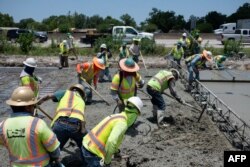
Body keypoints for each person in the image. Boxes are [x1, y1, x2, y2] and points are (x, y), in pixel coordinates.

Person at [0, 86, 61, 167]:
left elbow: (4, 142)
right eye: (33, 105)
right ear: (28, 107)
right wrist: (55, 158)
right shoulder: (37, 124)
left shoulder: (2, 125)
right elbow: (53, 147)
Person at [81, 96, 143, 167]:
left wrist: (116, 152)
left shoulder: (117, 116)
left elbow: (112, 139)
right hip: (93, 152)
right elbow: (111, 142)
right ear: (134, 114)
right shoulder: (122, 123)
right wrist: (107, 162)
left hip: (86, 144)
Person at [38, 84, 87, 152]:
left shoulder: (65, 92)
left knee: (54, 150)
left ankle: (52, 161)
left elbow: (48, 96)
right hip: (75, 126)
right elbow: (82, 122)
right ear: (82, 93)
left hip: (59, 124)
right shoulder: (82, 101)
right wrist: (82, 136)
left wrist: (38, 102)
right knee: (85, 148)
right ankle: (86, 159)